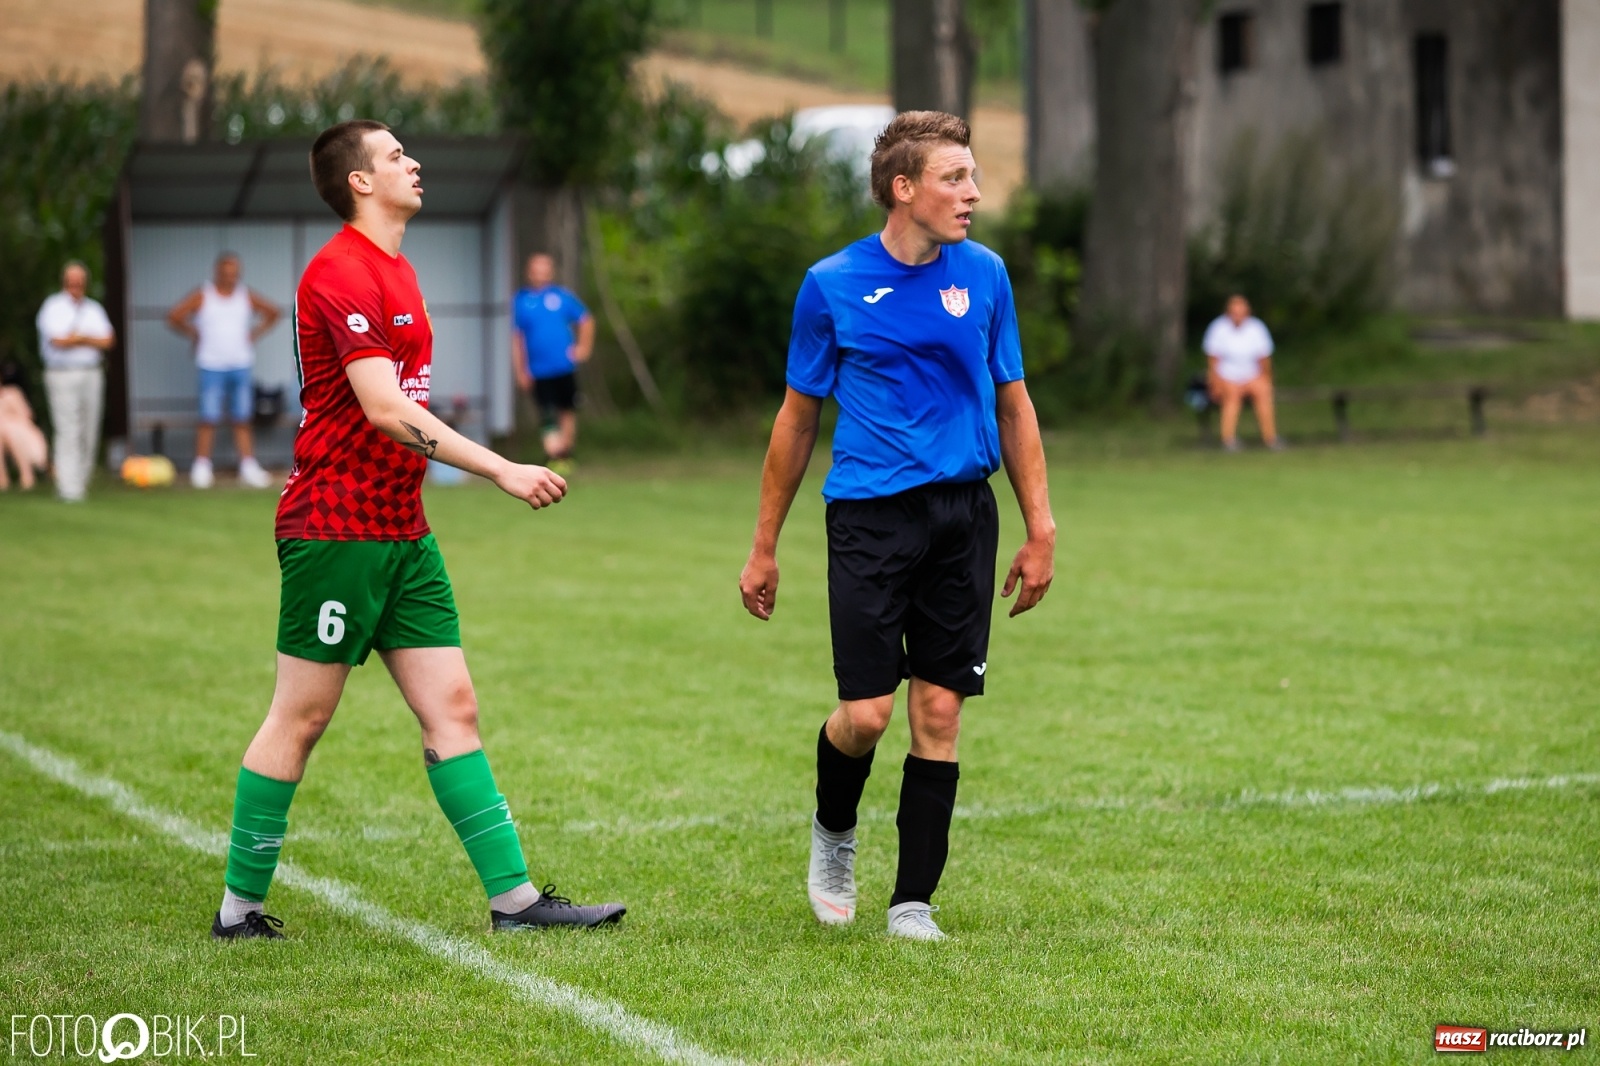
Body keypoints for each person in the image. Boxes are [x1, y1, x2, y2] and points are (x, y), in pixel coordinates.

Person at [210, 119, 625, 940]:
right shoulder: (339, 271)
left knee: (454, 708)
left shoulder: (397, 268)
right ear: (360, 181)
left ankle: (515, 903)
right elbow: (383, 407)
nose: (414, 162)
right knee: (302, 717)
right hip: (335, 529)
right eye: (396, 155)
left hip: (402, 527)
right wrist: (500, 467)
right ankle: (239, 910)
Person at [737, 111, 1056, 942]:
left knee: (940, 713)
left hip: (964, 515)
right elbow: (796, 421)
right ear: (903, 188)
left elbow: (1015, 405)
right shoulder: (832, 284)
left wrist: (1041, 526)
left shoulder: (985, 275)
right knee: (868, 715)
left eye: (972, 176)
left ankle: (913, 903)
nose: (973, 193)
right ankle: (834, 831)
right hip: (871, 519)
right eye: (955, 178)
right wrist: (765, 546)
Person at [166, 252, 282, 488]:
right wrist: (193, 333)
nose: (230, 277)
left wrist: (255, 333)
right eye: (226, 273)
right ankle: (202, 466)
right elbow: (174, 316)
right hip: (211, 364)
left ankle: (248, 466)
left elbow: (273, 312)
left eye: (234, 273)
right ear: (217, 272)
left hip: (240, 363)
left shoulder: (245, 295)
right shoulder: (203, 295)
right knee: (208, 417)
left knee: (242, 417)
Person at [35, 262, 115, 502]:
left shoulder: (94, 309)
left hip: (91, 372)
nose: (76, 284)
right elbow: (58, 341)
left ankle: (81, 480)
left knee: (89, 429)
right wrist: (87, 339)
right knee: (68, 428)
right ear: (65, 281)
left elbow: (108, 341)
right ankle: (68, 487)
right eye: (72, 280)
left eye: (80, 280)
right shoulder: (53, 307)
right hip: (62, 374)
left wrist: (78, 338)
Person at [511, 253, 593, 470]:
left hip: (564, 367)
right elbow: (517, 339)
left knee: (567, 410)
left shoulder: (562, 297)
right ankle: (553, 455)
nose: (540, 275)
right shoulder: (521, 301)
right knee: (547, 413)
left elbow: (586, 319)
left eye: (544, 270)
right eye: (536, 270)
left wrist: (583, 348)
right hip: (538, 369)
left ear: (551, 272)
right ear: (529, 273)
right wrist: (521, 370)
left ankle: (566, 453)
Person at [1202, 294, 1281, 451]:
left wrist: (1267, 378)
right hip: (1227, 375)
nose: (1238, 316)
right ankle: (1228, 439)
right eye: (1234, 312)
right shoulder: (1218, 328)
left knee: (1264, 392)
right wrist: (1214, 382)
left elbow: (1264, 358)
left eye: (1241, 312)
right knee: (1232, 396)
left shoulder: (1257, 328)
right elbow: (1213, 360)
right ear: (1228, 312)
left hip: (1252, 375)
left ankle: (1270, 438)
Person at [0, 359, 49, 492]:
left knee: (8, 431)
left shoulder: (12, 393)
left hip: (20, 432)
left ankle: (25, 475)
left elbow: (26, 415)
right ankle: (4, 478)